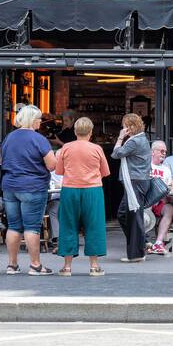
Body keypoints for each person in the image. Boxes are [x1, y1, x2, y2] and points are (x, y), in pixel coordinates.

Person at [0, 105, 57, 276]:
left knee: (14, 226)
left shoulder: (9, 138)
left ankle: (12, 265)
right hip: (32, 186)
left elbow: (4, 159)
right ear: (32, 120)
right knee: (32, 227)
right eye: (39, 119)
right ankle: (35, 265)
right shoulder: (38, 139)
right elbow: (52, 165)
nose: (41, 122)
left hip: (10, 186)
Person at [55, 117, 110, 275]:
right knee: (94, 226)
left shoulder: (66, 147)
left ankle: (67, 267)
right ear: (91, 132)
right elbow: (105, 172)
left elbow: (59, 171)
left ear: (75, 131)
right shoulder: (97, 149)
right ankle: (94, 266)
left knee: (68, 225)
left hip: (70, 189)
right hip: (92, 190)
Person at [111, 113, 152, 263]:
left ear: (130, 127)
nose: (123, 128)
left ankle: (137, 253)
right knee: (124, 214)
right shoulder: (141, 139)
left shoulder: (134, 142)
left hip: (135, 182)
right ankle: (142, 241)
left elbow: (116, 154)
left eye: (124, 126)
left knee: (133, 216)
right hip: (138, 181)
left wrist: (120, 137)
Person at [149, 140, 173, 256]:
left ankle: (158, 243)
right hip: (146, 202)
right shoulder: (145, 166)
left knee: (170, 208)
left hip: (160, 202)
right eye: (161, 151)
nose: (164, 153)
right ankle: (142, 242)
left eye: (165, 151)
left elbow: (169, 188)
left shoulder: (166, 169)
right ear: (153, 152)